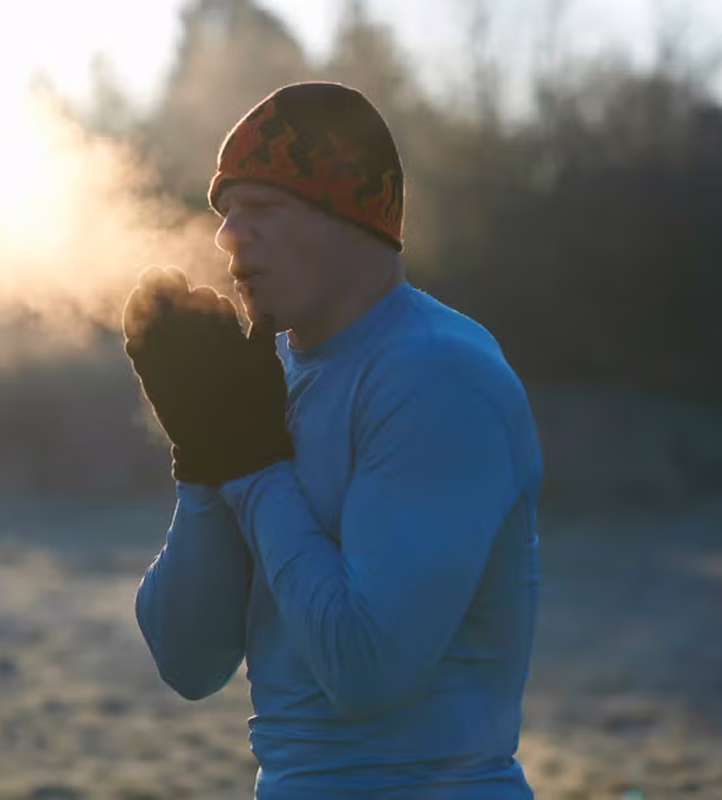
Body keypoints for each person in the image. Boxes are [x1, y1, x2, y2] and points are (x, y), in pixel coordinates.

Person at [122, 82, 543, 799]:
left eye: (262, 209)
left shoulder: (436, 376)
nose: (227, 236)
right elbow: (188, 662)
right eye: (226, 213)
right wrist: (203, 456)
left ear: (347, 215)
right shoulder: (270, 381)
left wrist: (251, 467)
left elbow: (368, 669)